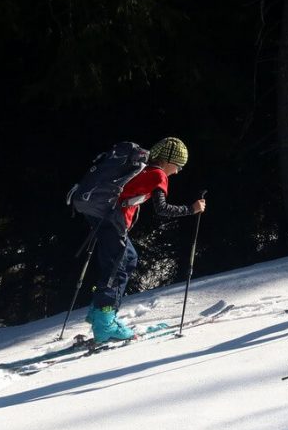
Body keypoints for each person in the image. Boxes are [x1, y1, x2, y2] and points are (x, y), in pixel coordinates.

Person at [86, 136, 206, 342]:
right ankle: (104, 323)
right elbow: (162, 209)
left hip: (105, 219)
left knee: (128, 260)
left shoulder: (141, 168)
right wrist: (191, 209)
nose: (177, 171)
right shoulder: (157, 174)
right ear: (168, 161)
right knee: (116, 269)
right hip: (113, 222)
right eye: (178, 166)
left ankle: (99, 313)